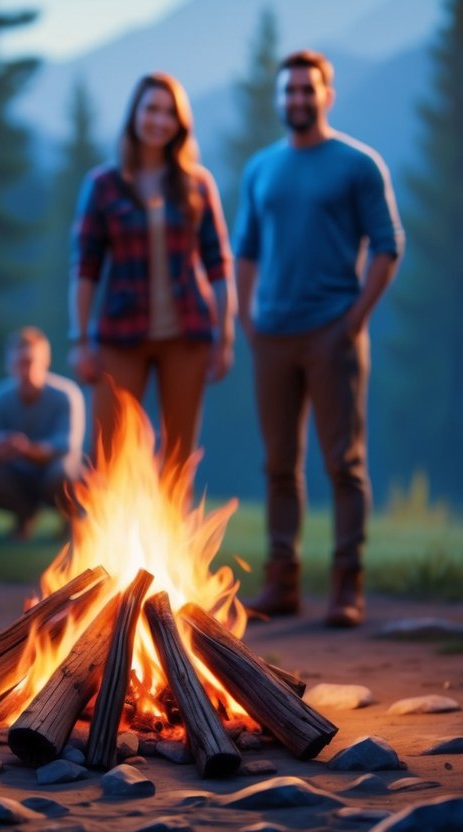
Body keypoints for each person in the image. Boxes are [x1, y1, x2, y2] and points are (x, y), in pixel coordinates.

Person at [235, 50, 403, 628]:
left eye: (308, 90)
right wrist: (246, 316)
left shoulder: (358, 164)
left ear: (328, 95)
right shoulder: (261, 168)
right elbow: (247, 249)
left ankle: (346, 587)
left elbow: (388, 246)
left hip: (334, 330)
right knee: (279, 464)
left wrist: (354, 321)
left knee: (343, 463)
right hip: (272, 335)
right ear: (280, 98)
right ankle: (282, 583)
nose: (298, 100)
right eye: (289, 91)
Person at [69, 72, 235, 472]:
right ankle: (102, 535)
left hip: (188, 337)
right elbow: (85, 267)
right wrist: (79, 339)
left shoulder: (198, 184)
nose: (159, 120)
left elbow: (219, 264)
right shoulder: (103, 185)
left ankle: (175, 537)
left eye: (169, 113)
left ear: (180, 123)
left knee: (178, 461)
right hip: (120, 335)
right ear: (135, 116)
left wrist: (225, 337)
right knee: (108, 457)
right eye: (151, 110)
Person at [0, 327, 85, 540]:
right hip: (15, 473)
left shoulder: (66, 394)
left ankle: (70, 517)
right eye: (19, 364)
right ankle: (24, 512)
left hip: (51, 472)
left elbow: (67, 444)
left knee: (64, 470)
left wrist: (29, 450)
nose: (25, 370)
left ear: (45, 362)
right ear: (9, 365)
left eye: (30, 363)